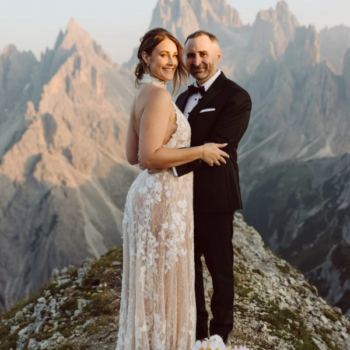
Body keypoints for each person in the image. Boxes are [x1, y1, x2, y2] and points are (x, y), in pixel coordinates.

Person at [115, 28, 229, 350]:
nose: (172, 60)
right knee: (163, 280)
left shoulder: (143, 93)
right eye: (163, 54)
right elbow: (148, 156)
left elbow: (131, 156)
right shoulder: (160, 96)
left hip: (149, 195)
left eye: (174, 54)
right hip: (162, 199)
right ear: (145, 57)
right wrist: (201, 150)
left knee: (153, 282)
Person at [173, 31, 252, 342]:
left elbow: (218, 148)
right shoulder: (181, 97)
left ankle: (220, 335)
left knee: (220, 271)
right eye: (191, 55)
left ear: (218, 56)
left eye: (203, 54)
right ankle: (196, 332)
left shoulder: (236, 96)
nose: (197, 61)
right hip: (182, 199)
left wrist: (168, 163)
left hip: (215, 199)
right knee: (188, 270)